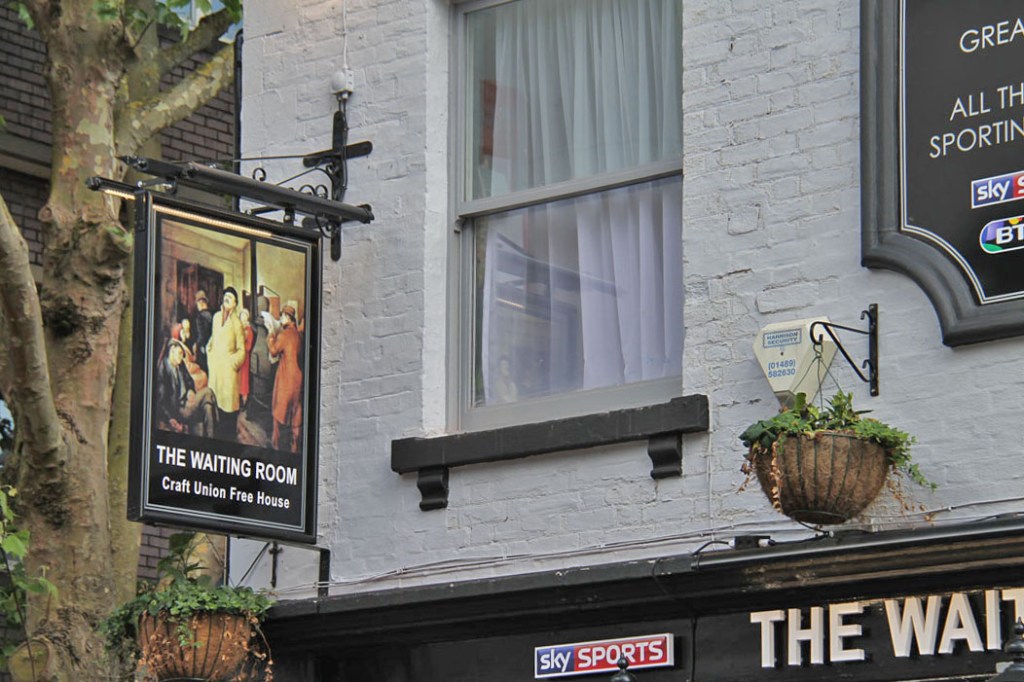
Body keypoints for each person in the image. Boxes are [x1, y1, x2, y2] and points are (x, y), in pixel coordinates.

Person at [155, 338, 218, 437]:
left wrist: (190, 391)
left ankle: (211, 438)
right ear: (172, 351)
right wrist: (171, 418)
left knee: (208, 407)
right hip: (178, 410)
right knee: (208, 392)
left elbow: (189, 381)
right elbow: (161, 401)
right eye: (179, 354)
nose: (182, 357)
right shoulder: (163, 370)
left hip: (187, 403)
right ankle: (217, 424)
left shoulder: (180, 364)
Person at [206, 287, 246, 440]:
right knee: (215, 404)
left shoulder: (237, 323)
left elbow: (242, 350)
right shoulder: (216, 317)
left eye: (230, 297)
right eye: (225, 296)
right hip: (216, 370)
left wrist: (232, 363)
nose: (227, 298)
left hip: (229, 374)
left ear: (235, 304)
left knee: (228, 409)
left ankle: (228, 440)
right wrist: (209, 348)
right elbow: (213, 337)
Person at [267, 305, 303, 453]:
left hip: (285, 377)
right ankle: (294, 446)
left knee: (278, 409)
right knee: (296, 411)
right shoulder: (299, 335)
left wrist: (271, 336)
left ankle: (275, 444)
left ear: (288, 318)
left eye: (282, 316)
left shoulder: (284, 335)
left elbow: (273, 351)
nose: (280, 319)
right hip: (298, 378)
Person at [238, 308, 255, 410]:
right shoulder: (238, 328)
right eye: (241, 316)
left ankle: (244, 402)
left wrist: (241, 343)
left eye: (245, 316)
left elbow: (248, 347)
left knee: (244, 380)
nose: (243, 318)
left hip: (244, 358)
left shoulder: (249, 330)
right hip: (237, 358)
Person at [193, 290, 213, 374]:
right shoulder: (212, 315)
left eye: (197, 303)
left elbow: (201, 335)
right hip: (211, 348)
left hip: (202, 348)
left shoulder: (200, 316)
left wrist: (196, 344)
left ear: (201, 303)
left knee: (202, 371)